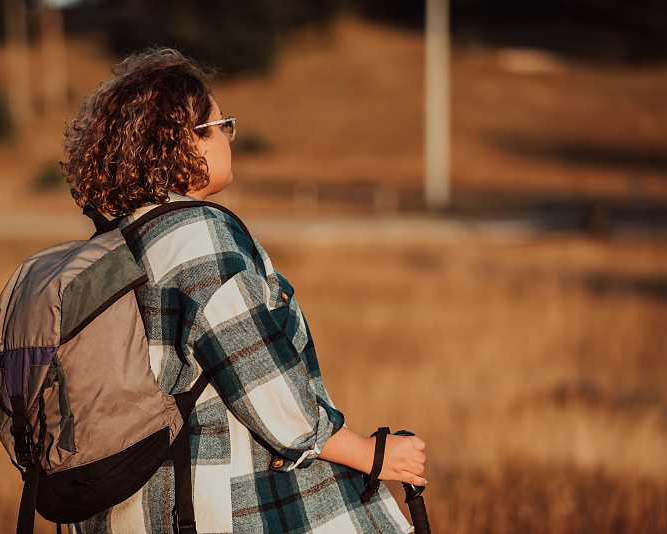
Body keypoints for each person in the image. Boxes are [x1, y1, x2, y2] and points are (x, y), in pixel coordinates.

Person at [61, 48, 426, 534]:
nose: (229, 138)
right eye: (221, 124)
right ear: (187, 141)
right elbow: (260, 375)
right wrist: (368, 452)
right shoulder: (198, 236)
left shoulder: (115, 244)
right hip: (216, 508)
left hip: (131, 511)